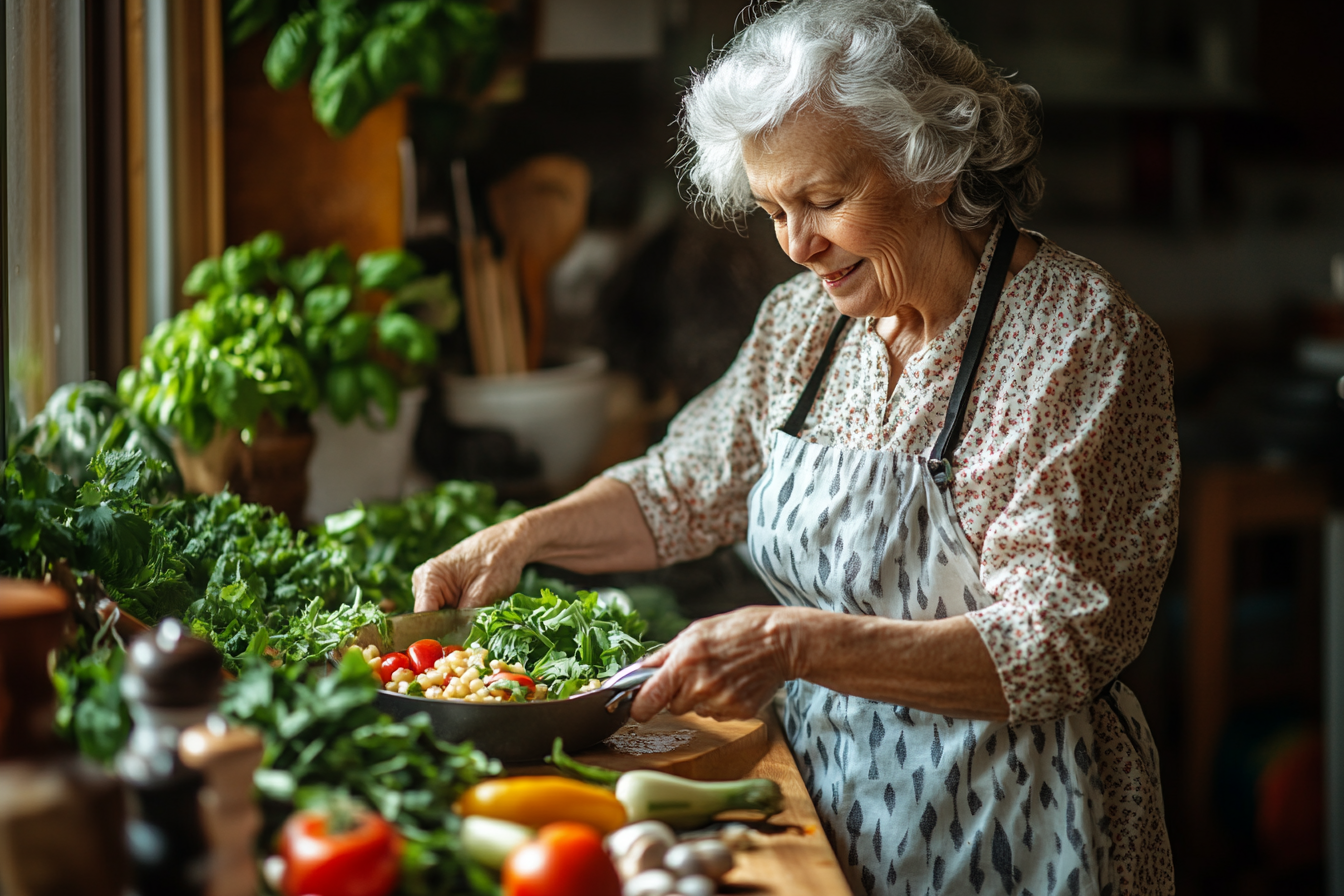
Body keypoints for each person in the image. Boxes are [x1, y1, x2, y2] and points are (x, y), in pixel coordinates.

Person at [413, 1, 1179, 893]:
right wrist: (521, 537)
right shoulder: (805, 327)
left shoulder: (1079, 340)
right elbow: (679, 488)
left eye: (825, 200)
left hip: (1022, 823)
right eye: (774, 208)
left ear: (931, 167)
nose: (797, 245)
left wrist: (789, 642)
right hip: (829, 809)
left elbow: (1049, 646)